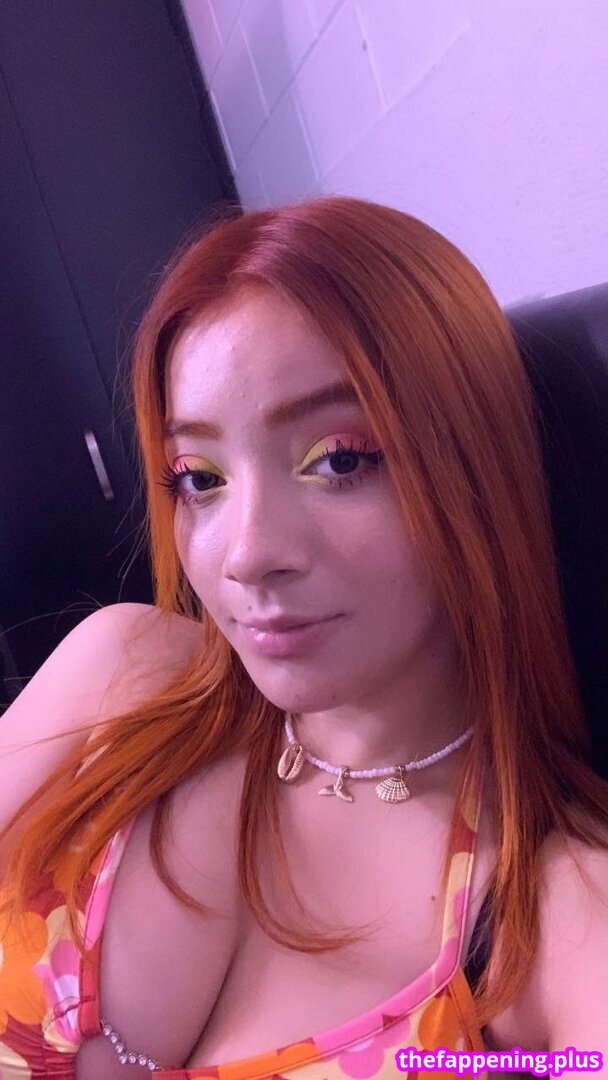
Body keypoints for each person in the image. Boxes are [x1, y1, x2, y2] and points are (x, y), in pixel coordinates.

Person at [0, 194, 607, 1079]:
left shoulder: (554, 914)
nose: (246, 555)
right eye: (198, 477)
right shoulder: (119, 674)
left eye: (340, 460)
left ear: (475, 463)